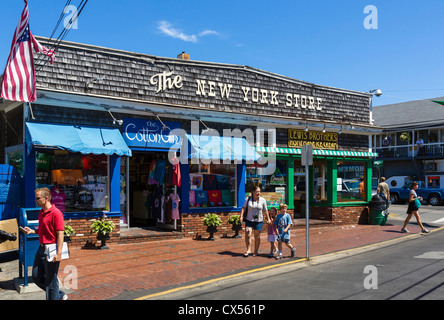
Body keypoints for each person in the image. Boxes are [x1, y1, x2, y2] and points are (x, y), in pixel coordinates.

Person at [22, 188, 68, 300]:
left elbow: (60, 234)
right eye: (35, 198)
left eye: (38, 198)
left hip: (51, 249)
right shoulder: (41, 212)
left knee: (50, 282)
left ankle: (55, 296)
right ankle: (59, 295)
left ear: (46, 198)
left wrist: (59, 253)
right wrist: (32, 231)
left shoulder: (56, 213)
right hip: (41, 248)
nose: (35, 200)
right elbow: (44, 230)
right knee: (36, 276)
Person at [240, 186, 270, 257]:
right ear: (253, 192)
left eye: (259, 191)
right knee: (248, 233)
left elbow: (265, 210)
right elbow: (243, 208)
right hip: (249, 220)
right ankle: (248, 250)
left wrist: (268, 218)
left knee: (257, 236)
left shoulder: (263, 200)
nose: (258, 193)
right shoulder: (248, 199)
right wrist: (241, 216)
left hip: (258, 221)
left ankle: (256, 251)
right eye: (257, 191)